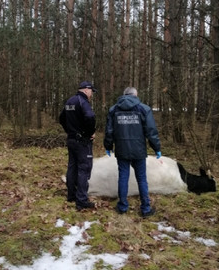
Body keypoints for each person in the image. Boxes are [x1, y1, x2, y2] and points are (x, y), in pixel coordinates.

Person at [103, 87, 162, 217]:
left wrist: (108, 146)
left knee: (123, 177)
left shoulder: (114, 110)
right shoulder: (144, 109)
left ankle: (123, 206)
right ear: (135, 95)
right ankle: (145, 209)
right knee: (141, 179)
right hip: (138, 150)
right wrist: (156, 148)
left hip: (122, 149)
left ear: (124, 95)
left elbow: (109, 131)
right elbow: (151, 132)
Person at [59, 81, 98, 211]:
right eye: (91, 91)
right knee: (84, 168)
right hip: (82, 142)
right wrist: (89, 133)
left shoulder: (70, 101)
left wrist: (69, 131)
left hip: (71, 140)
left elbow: (61, 118)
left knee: (72, 166)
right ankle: (81, 200)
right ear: (86, 90)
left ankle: (71, 195)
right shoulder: (83, 102)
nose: (91, 94)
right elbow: (90, 116)